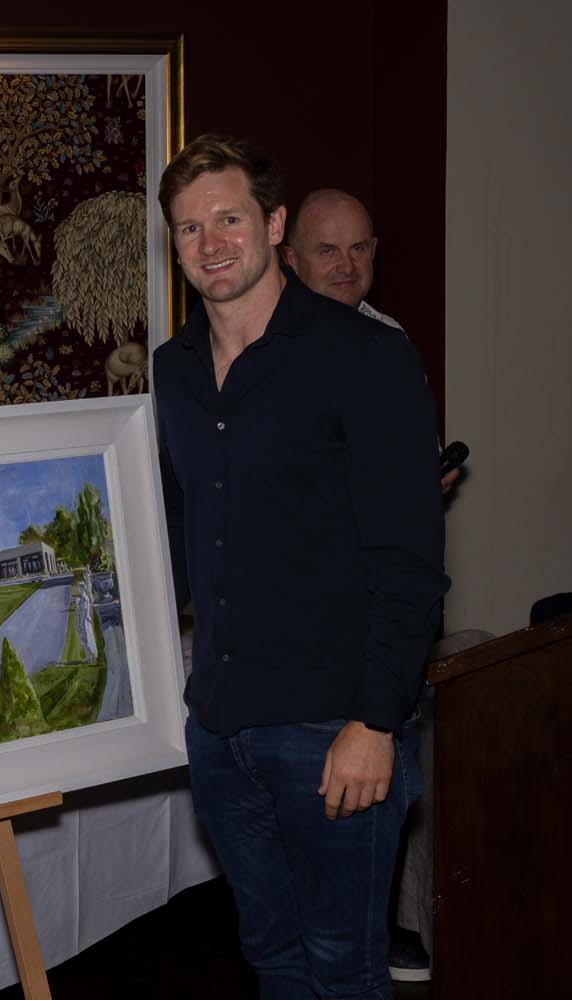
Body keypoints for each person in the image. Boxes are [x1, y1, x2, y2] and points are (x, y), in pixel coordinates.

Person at [153, 135, 448, 998]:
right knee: (273, 959)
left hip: (332, 730)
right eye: (189, 228)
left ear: (274, 224)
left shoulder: (363, 356)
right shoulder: (172, 372)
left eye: (229, 219)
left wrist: (376, 722)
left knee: (345, 971)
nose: (210, 243)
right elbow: (182, 530)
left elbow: (409, 561)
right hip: (220, 730)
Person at [281, 188, 460, 495]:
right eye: (328, 251)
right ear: (292, 259)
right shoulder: (266, 341)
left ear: (374, 250)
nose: (347, 266)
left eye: (358, 249)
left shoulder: (390, 337)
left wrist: (431, 472)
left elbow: (420, 448)